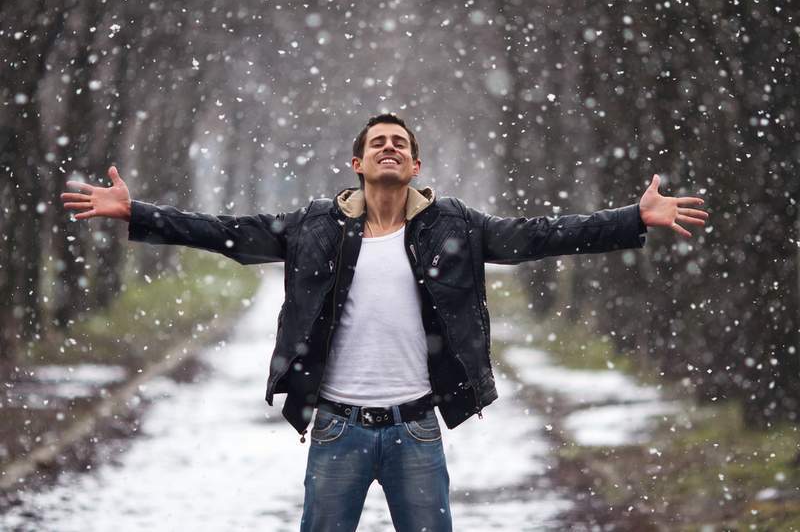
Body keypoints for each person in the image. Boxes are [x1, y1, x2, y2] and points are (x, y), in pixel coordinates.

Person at [61, 113, 708, 531]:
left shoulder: (454, 225)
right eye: (378, 143)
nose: (390, 148)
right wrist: (137, 212)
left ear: (416, 164)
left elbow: (536, 236)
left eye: (401, 142)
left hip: (417, 429)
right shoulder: (316, 226)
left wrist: (631, 218)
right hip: (338, 426)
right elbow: (227, 232)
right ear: (359, 163)